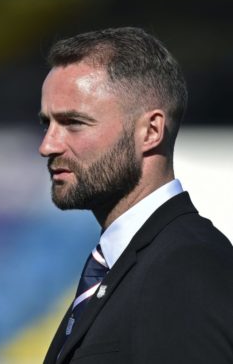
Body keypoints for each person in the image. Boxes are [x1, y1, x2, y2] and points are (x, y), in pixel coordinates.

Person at [38, 27, 233, 364]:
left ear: (151, 131)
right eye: (47, 124)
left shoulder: (187, 266)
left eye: (74, 123)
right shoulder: (120, 266)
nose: (48, 146)